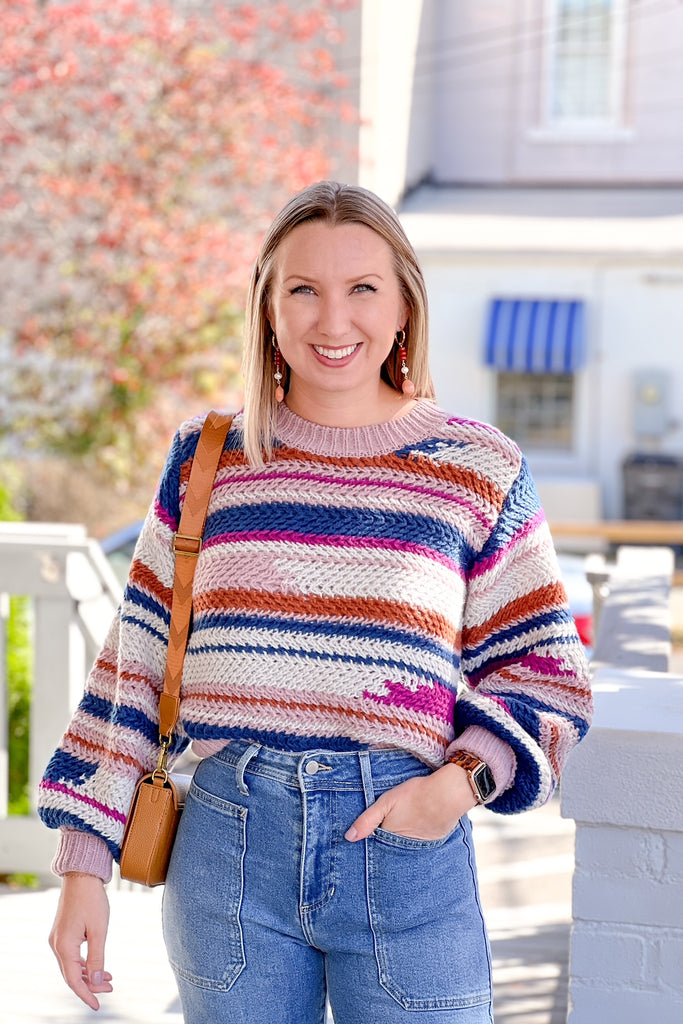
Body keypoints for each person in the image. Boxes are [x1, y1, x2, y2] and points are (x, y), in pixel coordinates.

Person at [39, 181, 592, 1024]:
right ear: (267, 307)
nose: (333, 320)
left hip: (407, 847)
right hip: (227, 849)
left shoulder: (478, 470)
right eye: (303, 289)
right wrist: (84, 864)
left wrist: (458, 785)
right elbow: (135, 663)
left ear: (404, 305)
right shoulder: (206, 460)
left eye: (362, 287)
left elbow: (543, 675)